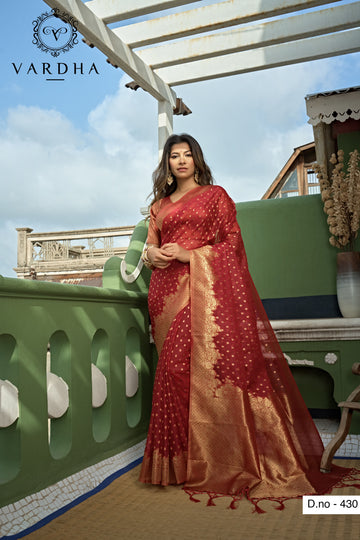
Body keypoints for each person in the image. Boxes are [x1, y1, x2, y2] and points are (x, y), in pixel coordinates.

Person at [139, 133, 359, 511]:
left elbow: (233, 246)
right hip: (164, 295)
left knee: (206, 372)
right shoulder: (159, 206)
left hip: (200, 293)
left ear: (197, 160)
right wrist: (154, 254)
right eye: (173, 156)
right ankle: (175, 464)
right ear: (167, 163)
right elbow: (150, 246)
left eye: (187, 154)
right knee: (173, 374)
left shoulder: (216, 196)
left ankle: (213, 459)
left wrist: (192, 255)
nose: (180, 161)